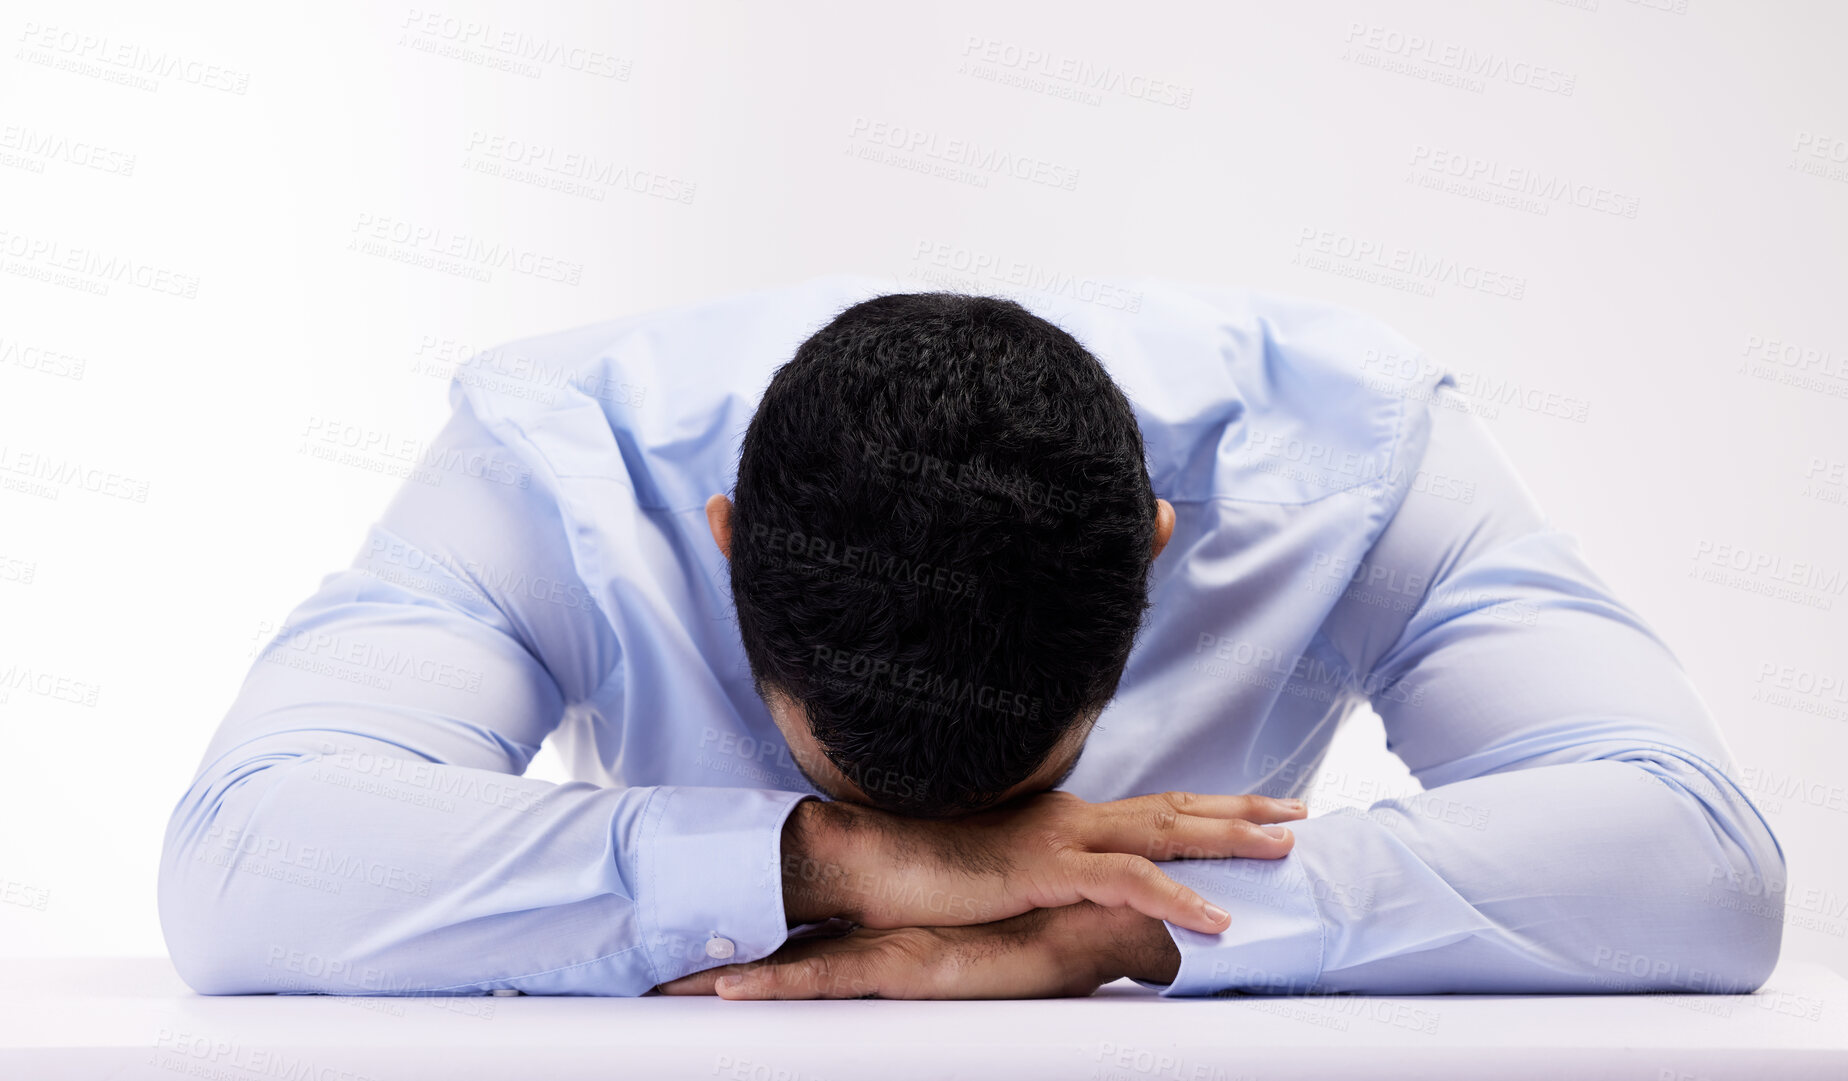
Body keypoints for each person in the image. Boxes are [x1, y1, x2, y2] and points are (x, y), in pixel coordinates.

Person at [158, 275, 1784, 999]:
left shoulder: (1346, 450)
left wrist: (1131, 925)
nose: (981, 847)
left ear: (1158, 555)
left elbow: (1696, 854)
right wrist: (837, 866)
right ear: (726, 541)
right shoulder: (562, 457)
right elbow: (247, 859)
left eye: (1020, 800)